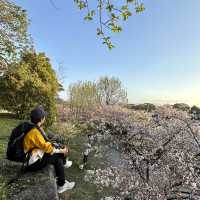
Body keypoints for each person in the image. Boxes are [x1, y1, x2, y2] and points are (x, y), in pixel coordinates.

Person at [23, 106, 75, 193]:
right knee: (58, 157)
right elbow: (47, 148)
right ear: (41, 119)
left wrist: (58, 147)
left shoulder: (34, 128)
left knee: (59, 152)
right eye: (44, 117)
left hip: (35, 156)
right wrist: (62, 150)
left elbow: (45, 144)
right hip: (32, 163)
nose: (45, 118)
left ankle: (62, 180)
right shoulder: (35, 132)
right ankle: (61, 185)